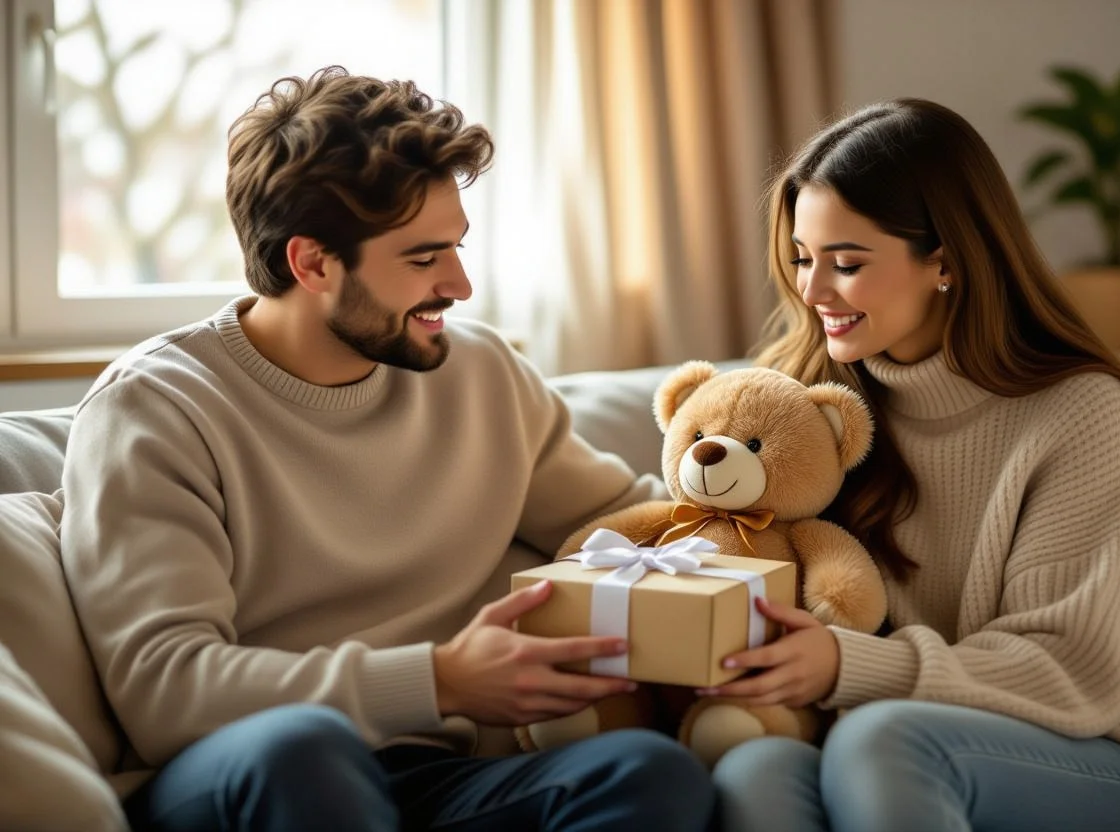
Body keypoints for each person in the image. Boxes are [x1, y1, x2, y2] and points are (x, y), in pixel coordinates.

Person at [59, 66, 715, 832]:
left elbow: (634, 524)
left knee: (648, 776)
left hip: (438, 773)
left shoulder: (484, 375)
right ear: (312, 264)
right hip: (248, 769)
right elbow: (167, 690)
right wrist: (435, 681)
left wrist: (781, 570)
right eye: (422, 258)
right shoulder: (157, 410)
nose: (462, 285)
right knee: (302, 752)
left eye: (458, 248)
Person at [706, 98, 1120, 832]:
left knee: (884, 741)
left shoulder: (1081, 409)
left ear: (945, 260)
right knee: (754, 768)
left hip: (1113, 747)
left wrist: (848, 666)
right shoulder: (809, 407)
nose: (812, 290)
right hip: (888, 735)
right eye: (802, 258)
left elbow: (1073, 665)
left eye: (847, 263)